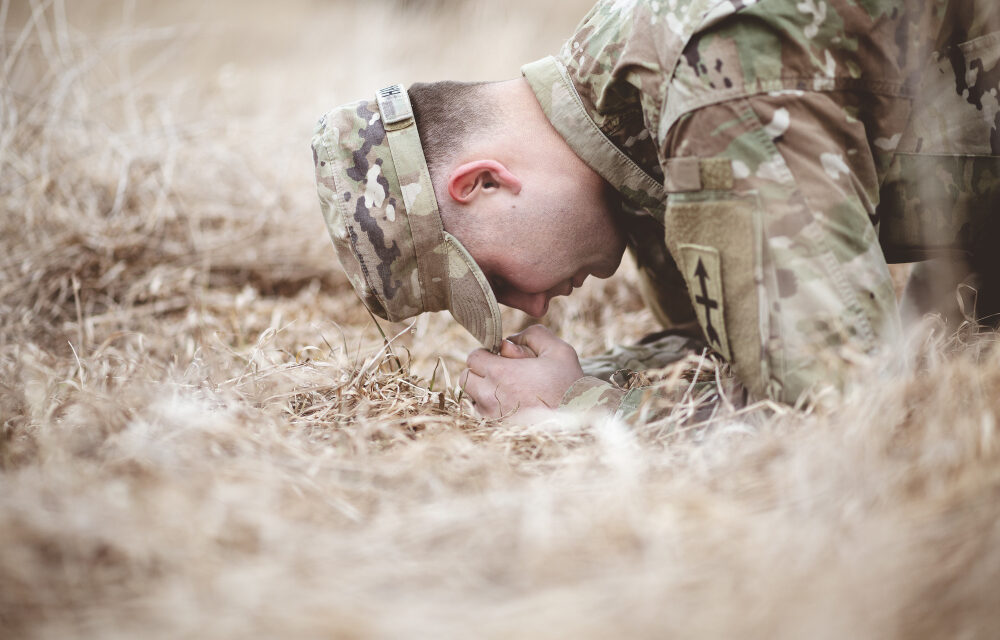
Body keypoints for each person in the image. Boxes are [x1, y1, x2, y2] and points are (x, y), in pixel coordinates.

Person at [312, 0, 1000, 421]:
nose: (535, 307)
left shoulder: (706, 86)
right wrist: (591, 378)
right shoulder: (623, 129)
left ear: (486, 182)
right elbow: (732, 356)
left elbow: (843, 408)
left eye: (493, 280)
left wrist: (581, 409)